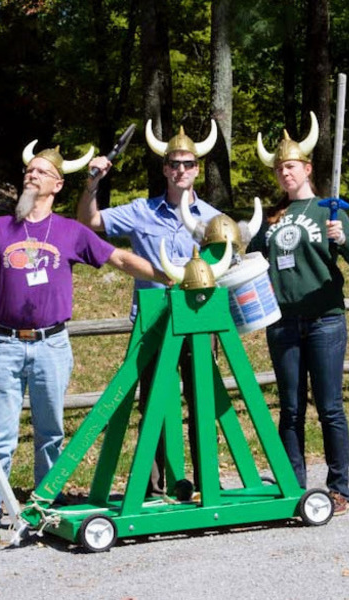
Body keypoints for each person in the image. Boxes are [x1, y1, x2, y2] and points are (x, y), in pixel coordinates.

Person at [0, 139, 169, 550]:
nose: (32, 175)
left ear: (58, 185)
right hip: (7, 345)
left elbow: (117, 258)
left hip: (52, 345)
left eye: (41, 172)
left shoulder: (69, 231)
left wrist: (168, 274)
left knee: (50, 432)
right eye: (29, 170)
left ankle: (45, 506)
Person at [77, 120, 221, 496]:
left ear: (197, 168)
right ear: (164, 169)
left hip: (200, 322)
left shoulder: (213, 219)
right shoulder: (142, 210)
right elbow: (89, 221)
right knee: (154, 404)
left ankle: (208, 483)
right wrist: (93, 182)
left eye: (188, 164)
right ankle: (153, 487)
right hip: (153, 322)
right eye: (174, 164)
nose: (181, 170)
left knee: (201, 401)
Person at [250, 112, 349, 515]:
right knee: (290, 409)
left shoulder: (328, 210)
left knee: (330, 406)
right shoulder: (271, 218)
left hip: (324, 321)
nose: (285, 173)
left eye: (291, 166)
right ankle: (292, 485)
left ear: (306, 168)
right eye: (279, 168)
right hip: (282, 324)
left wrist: (344, 239)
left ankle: (339, 489)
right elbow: (248, 261)